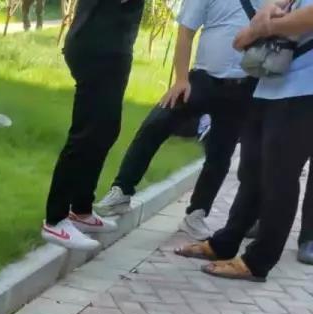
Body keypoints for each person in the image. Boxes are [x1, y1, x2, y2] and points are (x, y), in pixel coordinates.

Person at [95, 0, 259, 240]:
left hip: (243, 87)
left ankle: (196, 214)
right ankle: (122, 190)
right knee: (155, 125)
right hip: (202, 80)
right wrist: (181, 80)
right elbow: (185, 33)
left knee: (221, 153)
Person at [177, 0, 313, 281]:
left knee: (279, 179)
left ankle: (258, 261)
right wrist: (265, 23)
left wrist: (265, 26)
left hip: (303, 93)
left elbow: (305, 19)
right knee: (251, 173)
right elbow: (240, 41)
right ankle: (225, 243)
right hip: (267, 86)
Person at [41, 0, 147, 251]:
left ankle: (81, 209)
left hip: (113, 46)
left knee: (105, 131)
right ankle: (55, 219)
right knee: (87, 134)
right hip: (98, 46)